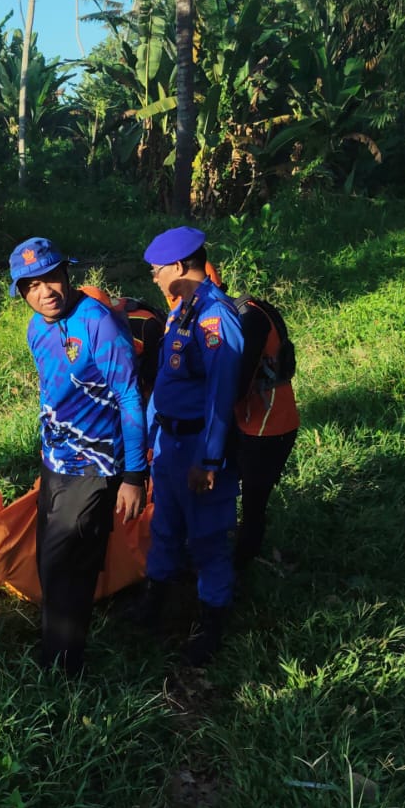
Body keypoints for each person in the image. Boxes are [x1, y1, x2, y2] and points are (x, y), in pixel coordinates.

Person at [8, 236, 149, 676]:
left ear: (66, 273)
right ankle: (56, 649)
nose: (45, 291)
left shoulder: (97, 323)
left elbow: (129, 398)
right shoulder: (37, 327)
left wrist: (133, 476)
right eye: (31, 285)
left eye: (51, 277)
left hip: (96, 468)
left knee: (70, 566)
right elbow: (52, 389)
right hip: (55, 464)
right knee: (51, 563)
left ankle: (64, 670)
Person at [133, 226, 245, 666]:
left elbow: (222, 390)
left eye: (157, 271)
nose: (155, 279)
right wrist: (146, 438)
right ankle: (154, 606)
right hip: (168, 445)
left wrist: (211, 457)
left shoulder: (215, 316)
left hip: (199, 444)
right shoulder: (181, 311)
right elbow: (164, 383)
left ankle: (211, 624)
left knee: (208, 538)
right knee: (165, 527)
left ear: (178, 267)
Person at [231, 294, 300, 568]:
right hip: (257, 421)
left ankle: (243, 563)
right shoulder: (246, 311)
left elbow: (238, 381)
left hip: (268, 425)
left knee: (253, 501)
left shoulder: (250, 318)